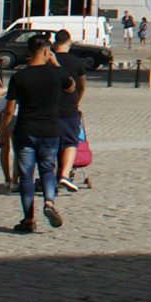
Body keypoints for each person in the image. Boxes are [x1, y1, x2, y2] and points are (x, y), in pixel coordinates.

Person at [0, 35, 73, 234]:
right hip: (50, 130)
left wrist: (3, 133)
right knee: (47, 170)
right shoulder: (57, 74)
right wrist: (56, 65)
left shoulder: (19, 77)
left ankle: (28, 219)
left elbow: (9, 109)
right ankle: (49, 202)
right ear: (47, 52)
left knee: (26, 176)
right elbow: (71, 87)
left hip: (25, 130)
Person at [52, 30, 89, 191]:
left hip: (49, 106)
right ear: (69, 42)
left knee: (51, 143)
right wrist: (76, 100)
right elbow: (82, 86)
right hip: (69, 107)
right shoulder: (77, 62)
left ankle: (49, 175)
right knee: (70, 142)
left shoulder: (49, 60)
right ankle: (64, 174)